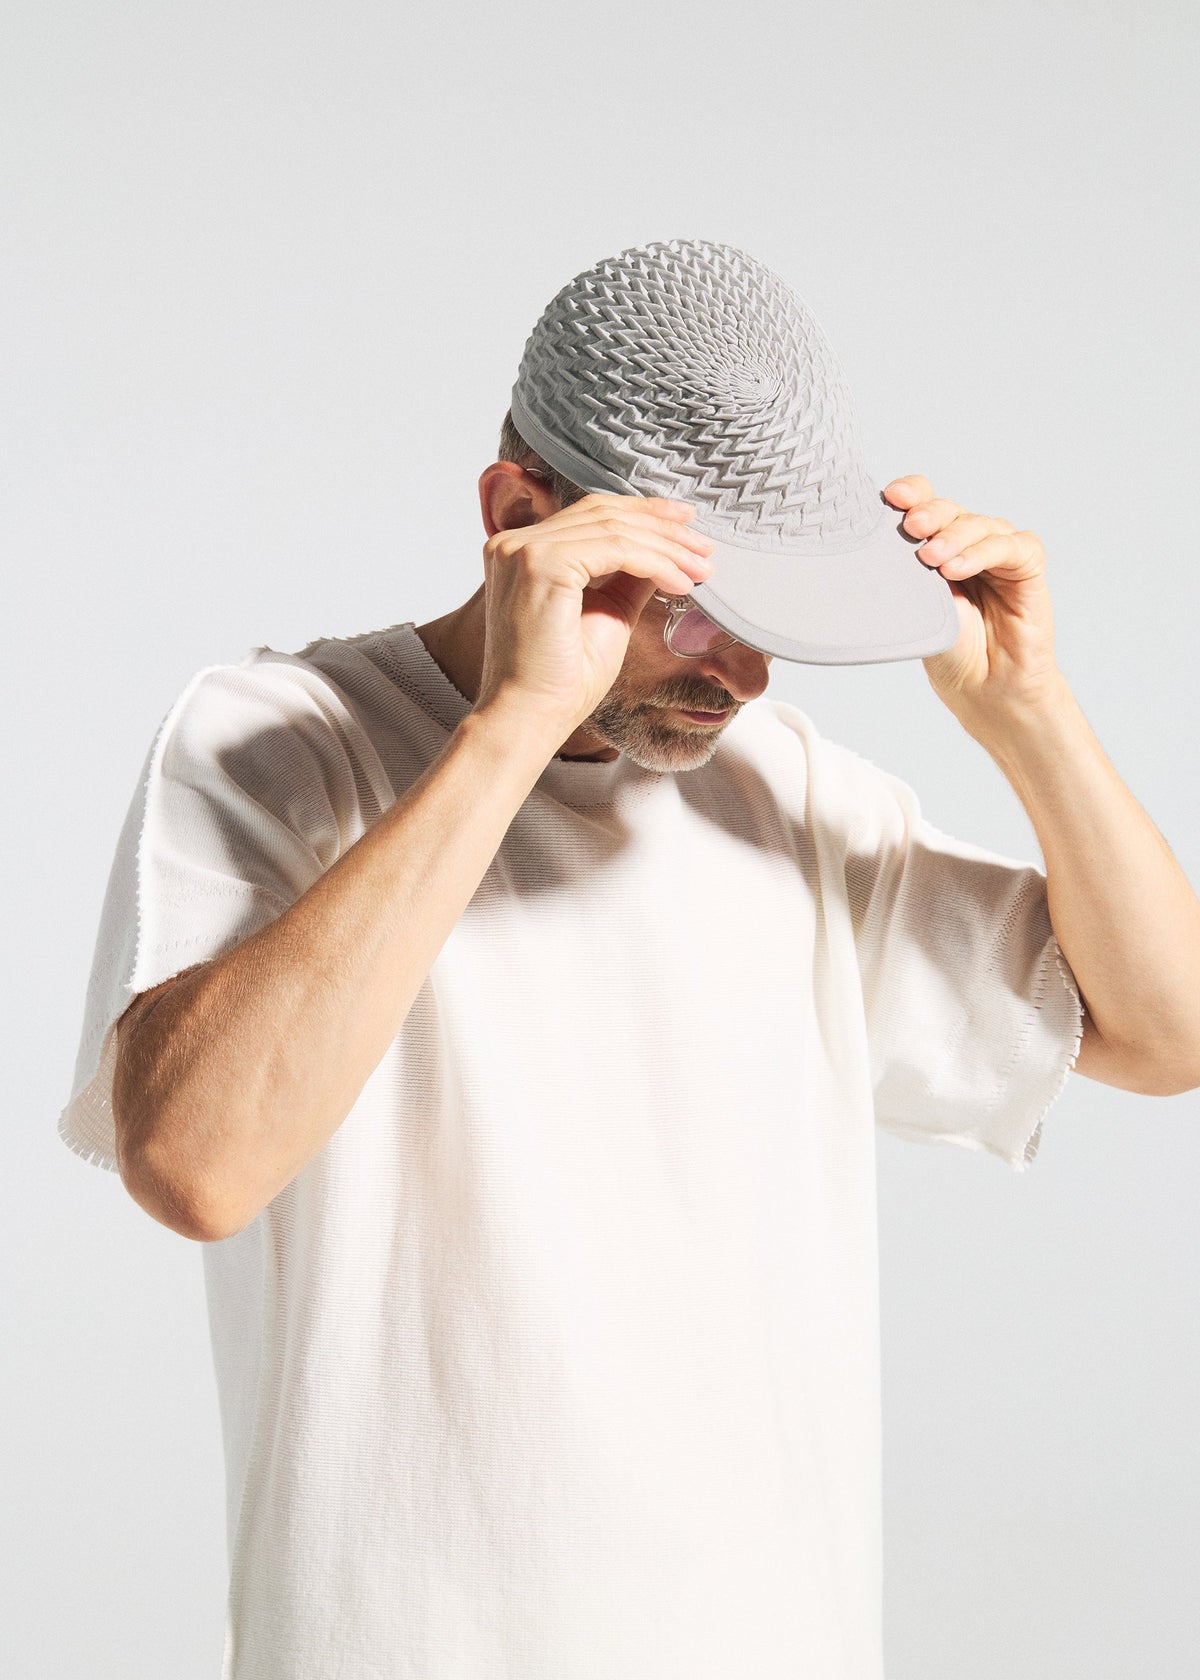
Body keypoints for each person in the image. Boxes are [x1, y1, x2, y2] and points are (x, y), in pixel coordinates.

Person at [60, 288, 1200, 1676]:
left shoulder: (791, 795)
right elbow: (196, 1166)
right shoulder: (280, 741)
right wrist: (514, 723)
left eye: (778, 613)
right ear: (516, 511)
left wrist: (1033, 716)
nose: (745, 675)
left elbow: (1163, 1033)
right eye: (696, 609)